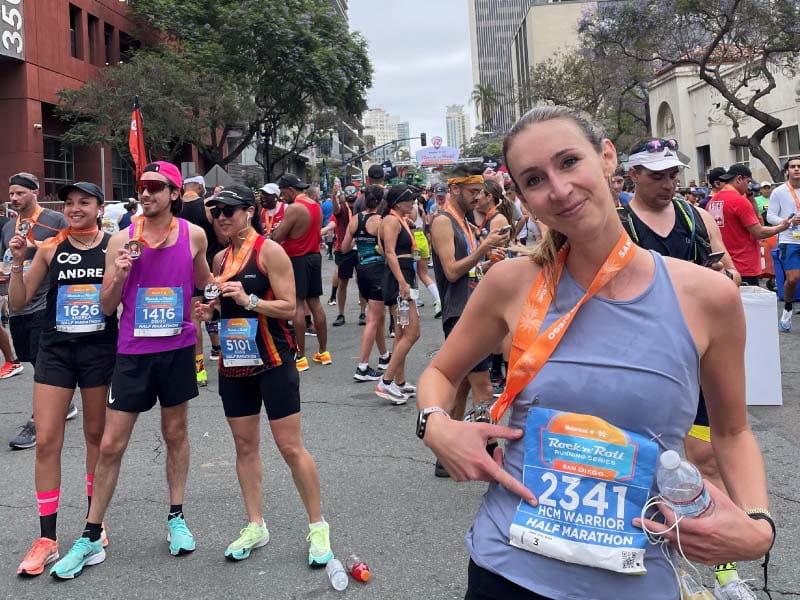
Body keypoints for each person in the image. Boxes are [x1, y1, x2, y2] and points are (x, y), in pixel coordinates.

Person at [417, 106, 775, 600]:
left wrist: (758, 526)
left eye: (569, 162)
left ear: (606, 157)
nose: (559, 189)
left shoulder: (706, 297)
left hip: (637, 578)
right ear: (523, 198)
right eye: (535, 179)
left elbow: (732, 431)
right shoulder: (510, 283)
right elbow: (439, 372)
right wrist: (436, 425)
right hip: (508, 568)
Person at [50, 161, 212, 579]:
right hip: (133, 351)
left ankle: (176, 516)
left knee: (175, 434)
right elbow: (106, 307)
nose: (147, 194)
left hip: (176, 350)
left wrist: (210, 308)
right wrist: (118, 275)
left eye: (157, 188)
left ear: (175, 194)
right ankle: (89, 534)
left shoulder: (194, 235)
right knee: (110, 445)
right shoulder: (122, 238)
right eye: (143, 187)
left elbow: (203, 284)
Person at [621, 144, 770, 597]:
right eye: (657, 175)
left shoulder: (694, 217)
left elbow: (725, 267)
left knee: (707, 461)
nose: (669, 183)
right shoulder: (617, 223)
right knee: (640, 464)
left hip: (695, 354)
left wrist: (724, 279)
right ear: (634, 175)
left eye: (673, 174)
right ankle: (653, 561)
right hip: (639, 361)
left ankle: (724, 571)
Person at [193, 186, 334, 566]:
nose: (222, 217)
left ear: (249, 212)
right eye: (216, 212)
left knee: (290, 447)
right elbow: (225, 311)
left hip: (273, 361)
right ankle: (256, 524)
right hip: (235, 365)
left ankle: (317, 525)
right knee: (244, 447)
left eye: (230, 210)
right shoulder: (220, 258)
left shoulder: (269, 250)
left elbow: (289, 307)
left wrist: (249, 300)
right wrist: (212, 313)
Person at [10, 182, 117, 576]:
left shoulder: (115, 245)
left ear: (99, 208)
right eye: (69, 203)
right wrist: (19, 261)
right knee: (47, 441)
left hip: (98, 351)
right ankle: (47, 538)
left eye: (83, 203)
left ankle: (94, 522)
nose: (74, 209)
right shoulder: (51, 246)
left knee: (95, 437)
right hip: (55, 350)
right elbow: (19, 302)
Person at [430, 167, 508, 478]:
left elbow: (470, 269)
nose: (478, 197)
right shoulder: (442, 221)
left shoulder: (463, 221)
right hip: (459, 311)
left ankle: (445, 456)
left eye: (480, 191)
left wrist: (489, 260)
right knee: (483, 385)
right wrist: (483, 250)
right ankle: (485, 451)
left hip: (471, 307)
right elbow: (451, 271)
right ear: (455, 189)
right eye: (473, 191)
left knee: (462, 386)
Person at [1, 173, 71, 450]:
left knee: (43, 359)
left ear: (34, 192)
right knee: (30, 357)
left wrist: (38, 248)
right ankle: (64, 404)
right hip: (19, 303)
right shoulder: (9, 226)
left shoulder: (54, 220)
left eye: (20, 193)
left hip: (47, 300)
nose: (15, 198)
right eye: (12, 194)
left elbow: (71, 246)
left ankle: (39, 419)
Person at [270, 174, 330, 371]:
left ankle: (300, 356)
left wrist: (275, 230)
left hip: (298, 259)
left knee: (297, 305)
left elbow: (278, 237)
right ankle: (323, 352)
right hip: (314, 256)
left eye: (282, 193)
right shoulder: (315, 205)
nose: (281, 197)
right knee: (315, 303)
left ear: (289, 189)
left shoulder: (295, 208)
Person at [374, 185, 422, 404]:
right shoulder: (392, 221)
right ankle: (386, 381)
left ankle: (399, 382)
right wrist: (402, 282)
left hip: (402, 276)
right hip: (398, 278)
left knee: (402, 332)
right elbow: (390, 252)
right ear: (397, 202)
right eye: (409, 199)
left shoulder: (397, 219)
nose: (412, 202)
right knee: (412, 332)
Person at [707, 163, 788, 286]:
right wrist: (781, 227)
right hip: (744, 264)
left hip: (723, 264)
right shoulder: (739, 201)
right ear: (739, 179)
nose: (749, 186)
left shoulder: (712, 201)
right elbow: (759, 232)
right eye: (748, 181)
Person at [342, 185, 392, 381]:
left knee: (377, 315)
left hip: (361, 269)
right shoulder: (380, 221)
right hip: (377, 270)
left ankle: (384, 356)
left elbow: (345, 248)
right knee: (374, 318)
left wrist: (360, 243)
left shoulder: (355, 220)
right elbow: (385, 248)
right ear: (380, 202)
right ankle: (362, 367)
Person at [767, 156, 800, 331]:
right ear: (787, 170)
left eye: (799, 166)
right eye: (793, 166)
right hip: (789, 239)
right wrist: (787, 222)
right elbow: (770, 216)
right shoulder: (779, 191)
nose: (796, 169)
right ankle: (787, 307)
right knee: (793, 279)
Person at [330, 184, 362, 326]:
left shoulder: (361, 207)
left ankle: (363, 312)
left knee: (362, 281)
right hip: (344, 248)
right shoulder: (342, 208)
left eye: (352, 193)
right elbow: (336, 209)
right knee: (343, 282)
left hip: (360, 247)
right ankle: (341, 314)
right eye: (347, 193)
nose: (350, 196)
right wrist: (334, 196)